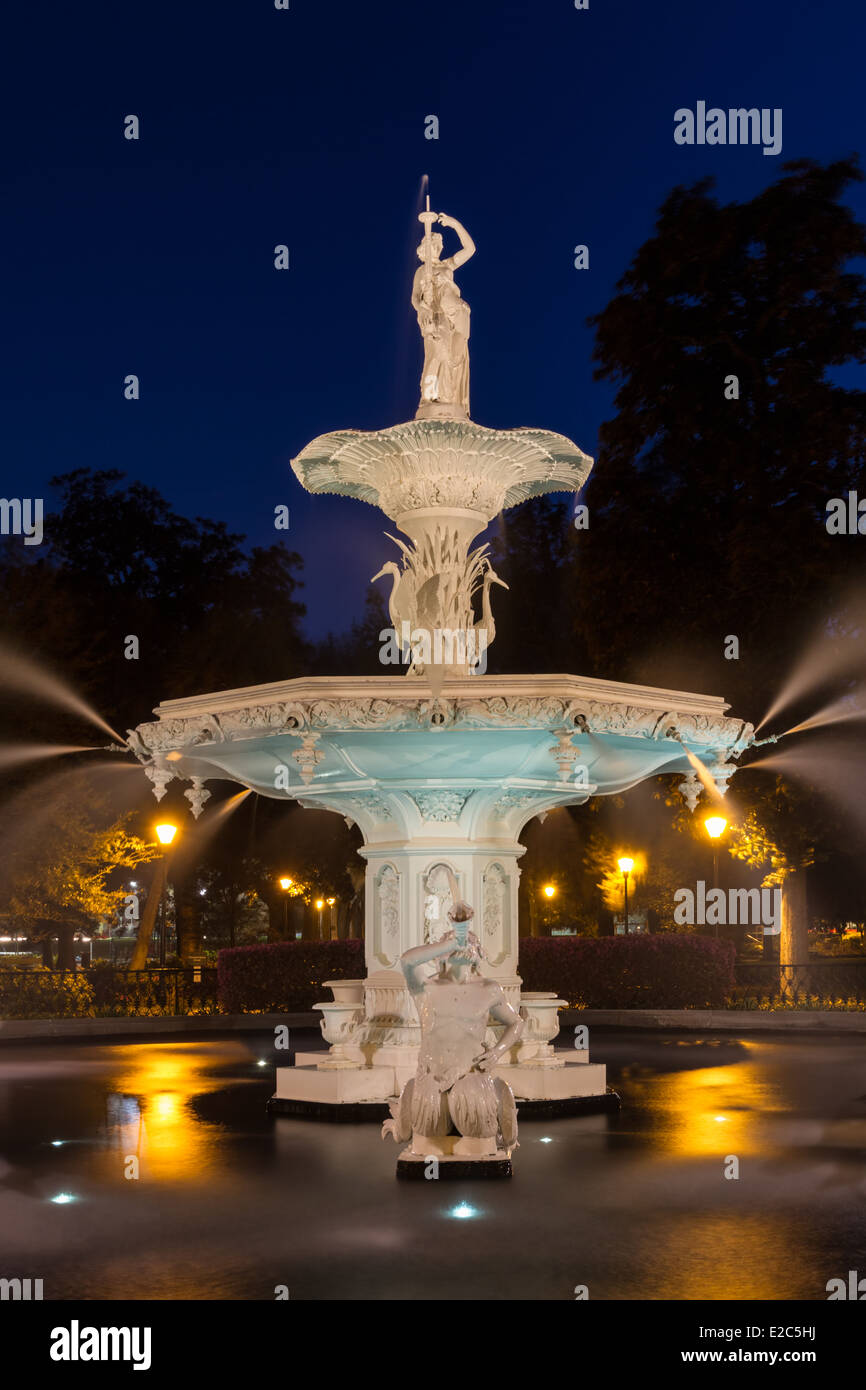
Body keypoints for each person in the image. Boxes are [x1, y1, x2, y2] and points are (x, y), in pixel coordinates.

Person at [382, 898, 523, 1153]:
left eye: (467, 941)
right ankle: (409, 1122)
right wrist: (448, 943)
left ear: (477, 952)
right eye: (457, 942)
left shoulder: (488, 990)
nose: (462, 944)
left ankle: (503, 1125)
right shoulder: (426, 988)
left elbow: (516, 1022)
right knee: (428, 1144)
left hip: (470, 1078)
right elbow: (407, 961)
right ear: (440, 952)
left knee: (476, 1143)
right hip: (431, 1079)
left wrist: (497, 1052)